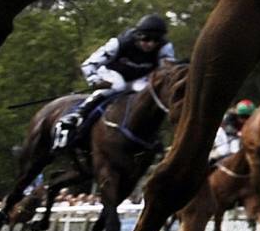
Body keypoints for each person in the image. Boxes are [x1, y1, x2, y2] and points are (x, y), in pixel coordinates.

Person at [53, 14, 177, 150]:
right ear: (138, 36)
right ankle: (75, 116)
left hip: (139, 78)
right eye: (146, 39)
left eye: (156, 40)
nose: (151, 44)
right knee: (119, 86)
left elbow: (166, 71)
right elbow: (88, 64)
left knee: (149, 93)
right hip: (112, 73)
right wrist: (95, 81)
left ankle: (153, 134)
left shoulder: (165, 47)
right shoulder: (120, 43)